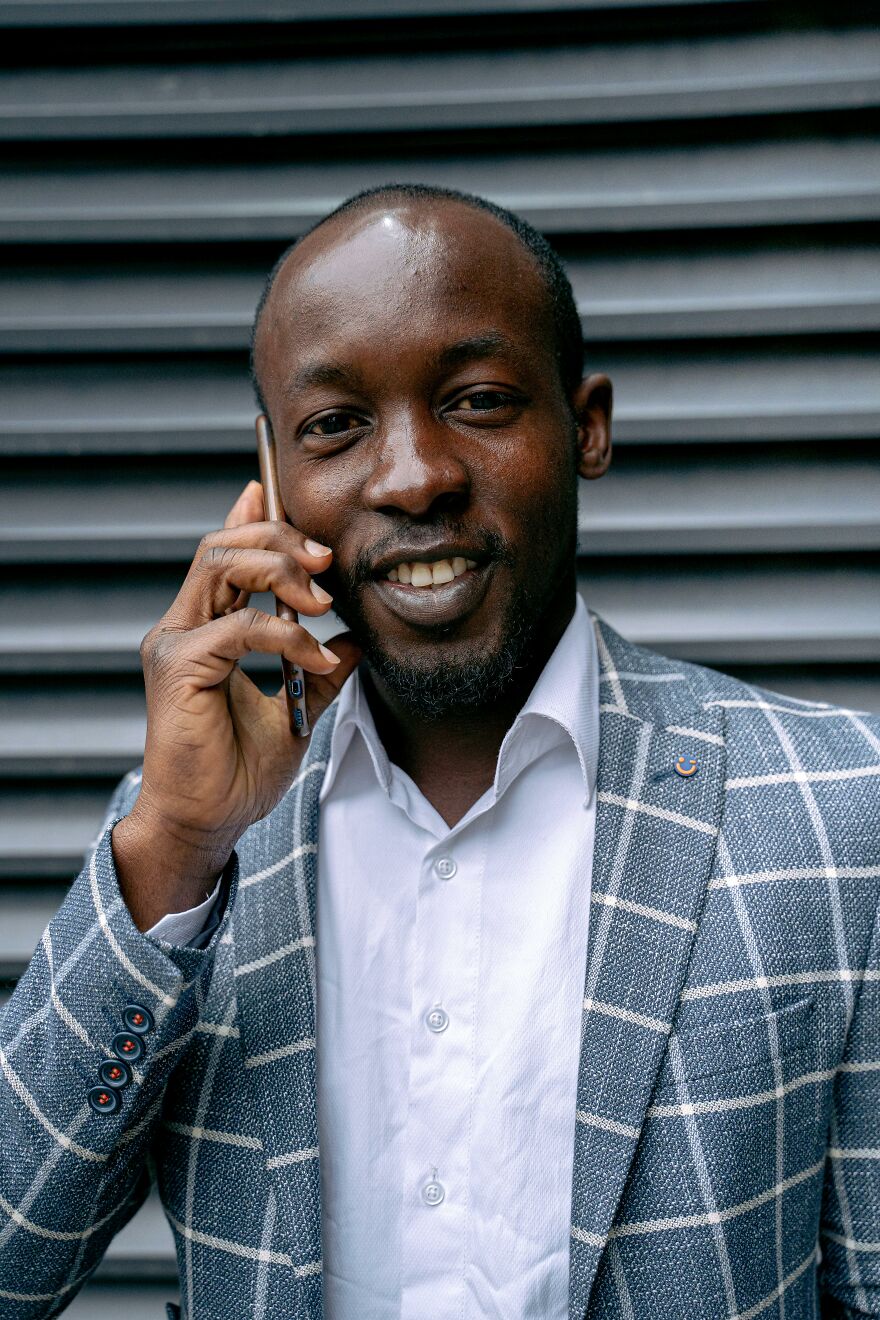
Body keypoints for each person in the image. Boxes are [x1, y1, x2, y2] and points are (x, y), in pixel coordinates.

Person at [1, 184, 877, 1320]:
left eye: (477, 400)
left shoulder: (839, 810)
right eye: (335, 425)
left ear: (588, 425)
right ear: (269, 475)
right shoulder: (187, 840)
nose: (413, 475)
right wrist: (172, 845)